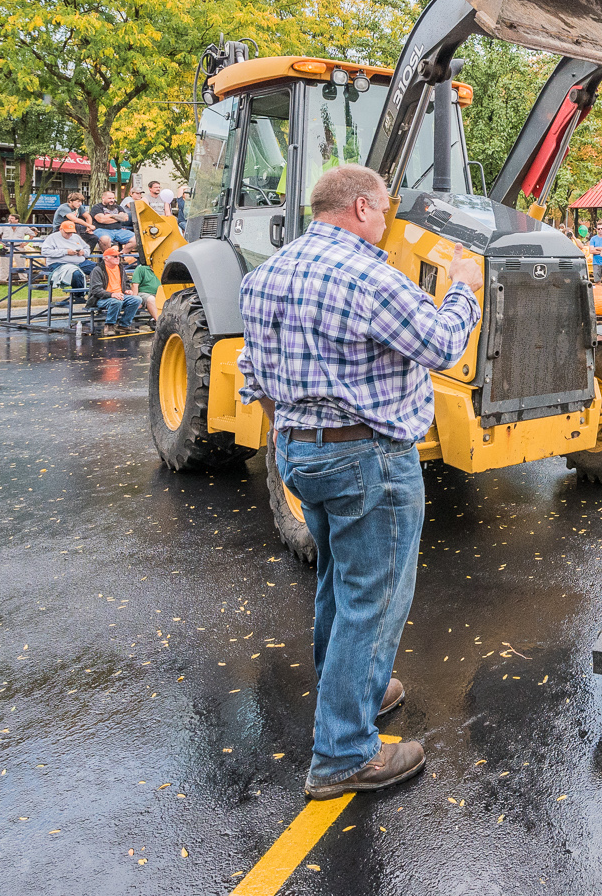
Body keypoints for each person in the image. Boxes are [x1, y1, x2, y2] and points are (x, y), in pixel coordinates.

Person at [237, 164, 482, 800]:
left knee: (337, 581)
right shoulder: (371, 275)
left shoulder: (265, 275)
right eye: (386, 209)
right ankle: (344, 753)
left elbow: (253, 376)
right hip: (367, 459)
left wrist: (293, 436)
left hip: (298, 451)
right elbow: (442, 343)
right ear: (364, 206)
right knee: (374, 597)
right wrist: (465, 287)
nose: (387, 220)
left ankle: (351, 690)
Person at [36, 218, 95, 298]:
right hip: (60, 264)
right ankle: (79, 296)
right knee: (75, 273)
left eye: (71, 232)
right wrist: (65, 252)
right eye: (67, 232)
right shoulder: (52, 238)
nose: (69, 234)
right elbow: (45, 252)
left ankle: (98, 294)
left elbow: (87, 248)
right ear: (61, 229)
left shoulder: (76, 237)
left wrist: (83, 252)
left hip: (80, 262)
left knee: (100, 269)